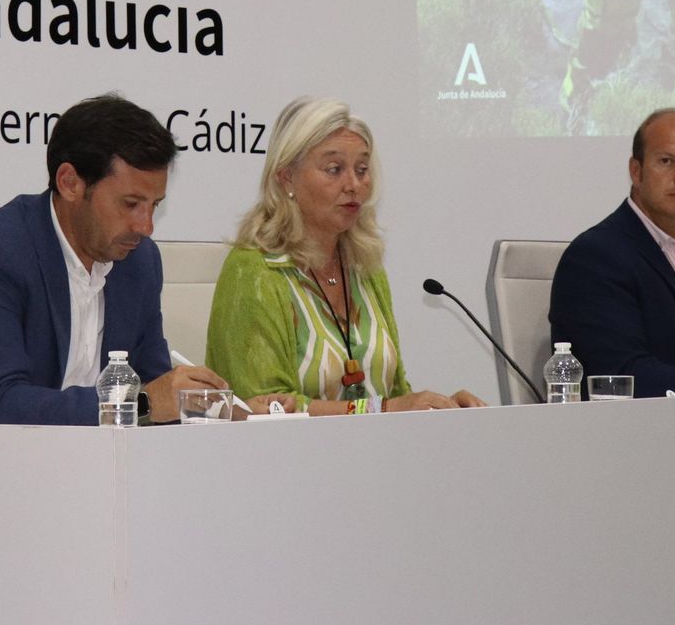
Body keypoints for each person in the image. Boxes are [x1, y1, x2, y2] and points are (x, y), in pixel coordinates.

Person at [0, 93, 278, 424]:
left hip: (83, 479)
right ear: (70, 183)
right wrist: (140, 404)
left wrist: (214, 409)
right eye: (130, 204)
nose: (146, 227)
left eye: (154, 205)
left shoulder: (139, 263)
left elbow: (155, 381)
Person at [205, 96, 484, 414]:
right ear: (287, 178)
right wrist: (386, 409)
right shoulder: (254, 270)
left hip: (376, 455)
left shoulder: (364, 267)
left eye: (362, 169)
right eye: (334, 169)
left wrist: (441, 406)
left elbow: (393, 391)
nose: (354, 184)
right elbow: (264, 408)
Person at [548, 108, 675, 397]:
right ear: (636, 171)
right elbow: (622, 376)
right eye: (667, 161)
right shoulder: (595, 258)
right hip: (635, 437)